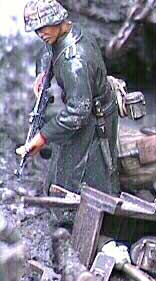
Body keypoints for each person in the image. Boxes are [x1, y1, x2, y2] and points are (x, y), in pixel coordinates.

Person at [16, 0, 120, 197]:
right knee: (64, 163)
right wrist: (42, 74)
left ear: (57, 20)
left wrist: (43, 136)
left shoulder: (75, 61)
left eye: (43, 28)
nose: (40, 35)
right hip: (84, 107)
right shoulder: (65, 32)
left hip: (93, 117)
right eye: (36, 31)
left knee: (84, 171)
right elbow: (48, 51)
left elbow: (78, 111)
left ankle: (73, 214)